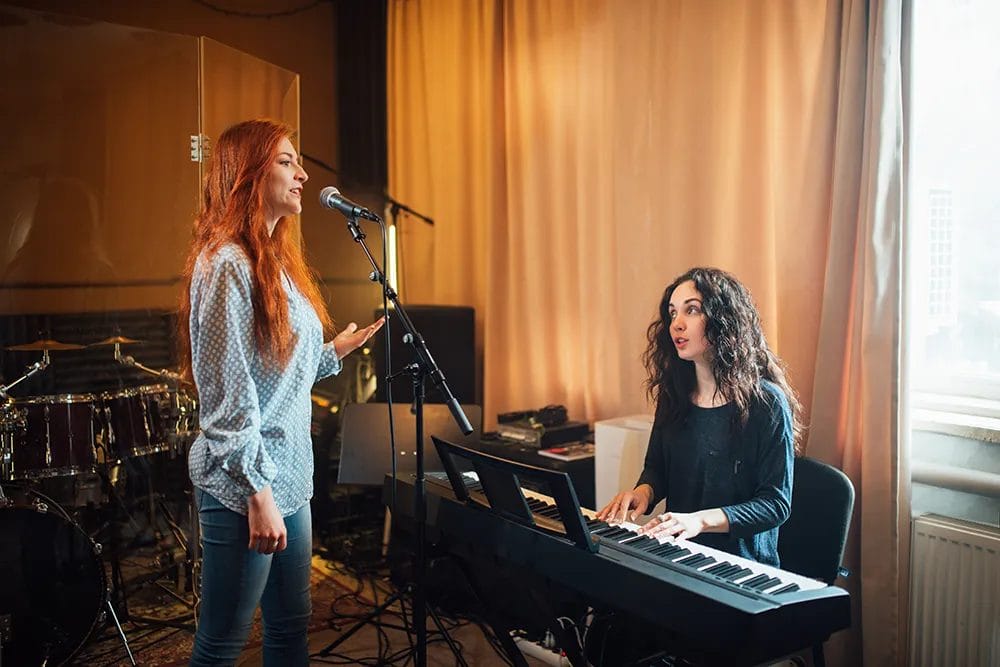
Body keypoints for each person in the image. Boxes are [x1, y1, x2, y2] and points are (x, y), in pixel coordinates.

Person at [177, 118, 384, 665]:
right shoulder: (226, 264)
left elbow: (275, 374)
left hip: (290, 478)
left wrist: (333, 351)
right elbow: (226, 398)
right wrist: (258, 496)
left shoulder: (275, 260)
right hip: (244, 488)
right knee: (223, 641)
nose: (302, 174)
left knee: (291, 629)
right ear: (249, 174)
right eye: (287, 162)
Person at [595, 267, 801, 567]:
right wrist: (643, 493)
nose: (676, 324)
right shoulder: (674, 395)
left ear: (723, 319)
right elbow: (657, 468)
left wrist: (698, 521)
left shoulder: (766, 402)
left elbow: (775, 504)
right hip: (680, 555)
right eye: (673, 313)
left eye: (691, 310)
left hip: (741, 567)